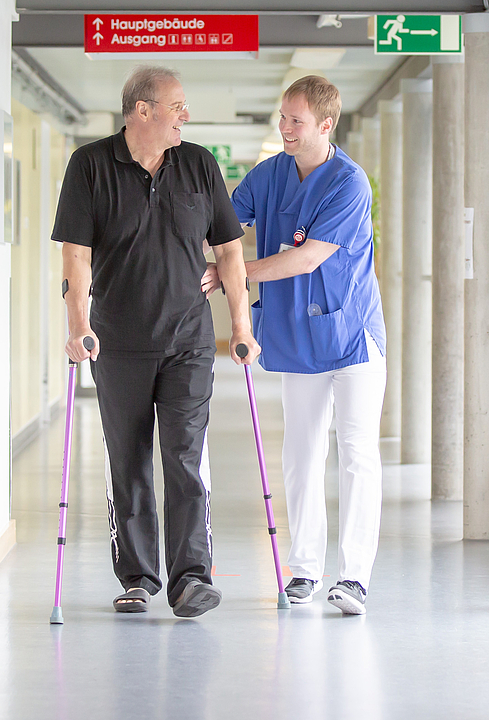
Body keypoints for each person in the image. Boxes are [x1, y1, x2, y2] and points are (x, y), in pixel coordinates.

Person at [53, 65, 259, 618]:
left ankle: (191, 577)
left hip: (189, 340)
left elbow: (230, 251)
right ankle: (139, 575)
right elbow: (76, 255)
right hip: (118, 341)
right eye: (177, 107)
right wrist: (79, 324)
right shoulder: (91, 166)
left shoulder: (198, 165)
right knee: (129, 460)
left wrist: (240, 325)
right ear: (142, 111)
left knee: (185, 456)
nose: (185, 116)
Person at [202, 75, 385, 615]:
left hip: (350, 335)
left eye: (295, 120)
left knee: (356, 455)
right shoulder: (271, 174)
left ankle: (354, 578)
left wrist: (230, 272)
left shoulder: (349, 183)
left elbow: (306, 259)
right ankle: (303, 569)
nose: (284, 127)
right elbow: (226, 221)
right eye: (282, 117)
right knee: (302, 454)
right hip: (298, 338)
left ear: (325, 125)